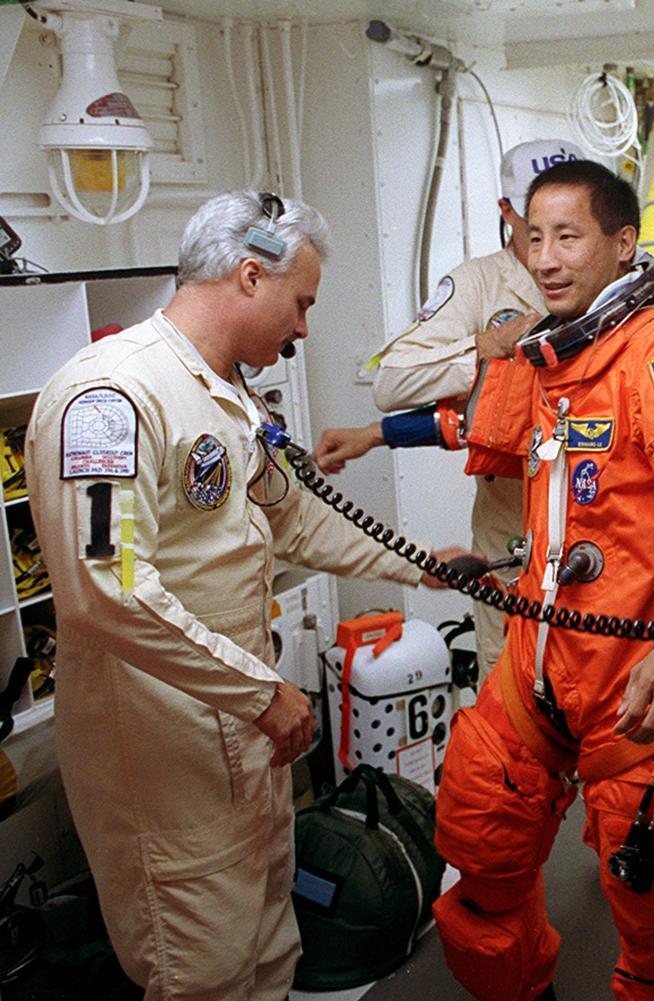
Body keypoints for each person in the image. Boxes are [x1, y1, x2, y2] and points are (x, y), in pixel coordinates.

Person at [25, 191, 465, 1001]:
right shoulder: (110, 395)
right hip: (164, 755)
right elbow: (103, 590)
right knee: (203, 973)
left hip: (243, 742)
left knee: (269, 955)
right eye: (302, 304)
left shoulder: (226, 395)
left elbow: (292, 520)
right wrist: (259, 692)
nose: (304, 329)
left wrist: (419, 564)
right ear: (251, 275)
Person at [429, 159, 654, 1001]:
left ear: (624, 244)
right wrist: (498, 557)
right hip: (538, 663)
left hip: (637, 677)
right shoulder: (549, 349)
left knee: (652, 909)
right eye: (533, 238)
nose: (545, 258)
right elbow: (521, 459)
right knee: (479, 840)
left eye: (568, 236)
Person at [316, 139, 586, 680]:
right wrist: (485, 347)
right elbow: (403, 385)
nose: (549, 248)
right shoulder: (479, 284)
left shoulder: (631, 280)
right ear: (507, 211)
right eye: (535, 223)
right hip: (513, 525)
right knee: (509, 681)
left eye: (570, 226)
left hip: (607, 520)